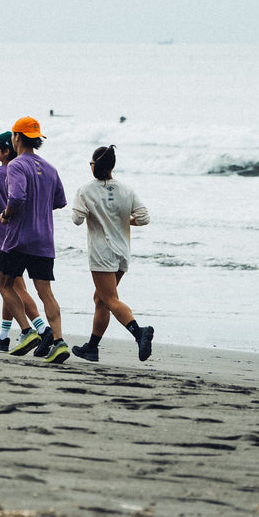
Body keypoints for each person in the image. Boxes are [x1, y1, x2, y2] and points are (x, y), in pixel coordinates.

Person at [0, 116, 71, 364]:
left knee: (5, 285)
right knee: (45, 292)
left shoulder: (16, 165)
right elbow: (60, 202)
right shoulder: (50, 168)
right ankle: (59, 341)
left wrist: (6, 214)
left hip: (18, 238)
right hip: (43, 240)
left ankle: (27, 331)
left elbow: (16, 197)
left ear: (17, 137)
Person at [71, 145, 154, 362]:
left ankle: (139, 332)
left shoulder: (85, 190)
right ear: (112, 166)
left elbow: (77, 219)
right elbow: (144, 218)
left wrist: (95, 214)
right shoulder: (127, 190)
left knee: (109, 298)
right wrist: (123, 221)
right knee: (100, 299)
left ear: (94, 166)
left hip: (101, 252)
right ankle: (92, 347)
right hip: (122, 251)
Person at [0, 130, 49, 351]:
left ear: (6, 150)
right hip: (28, 236)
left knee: (12, 288)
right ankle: (4, 334)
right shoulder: (26, 172)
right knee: (10, 288)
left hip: (4, 239)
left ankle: (41, 330)